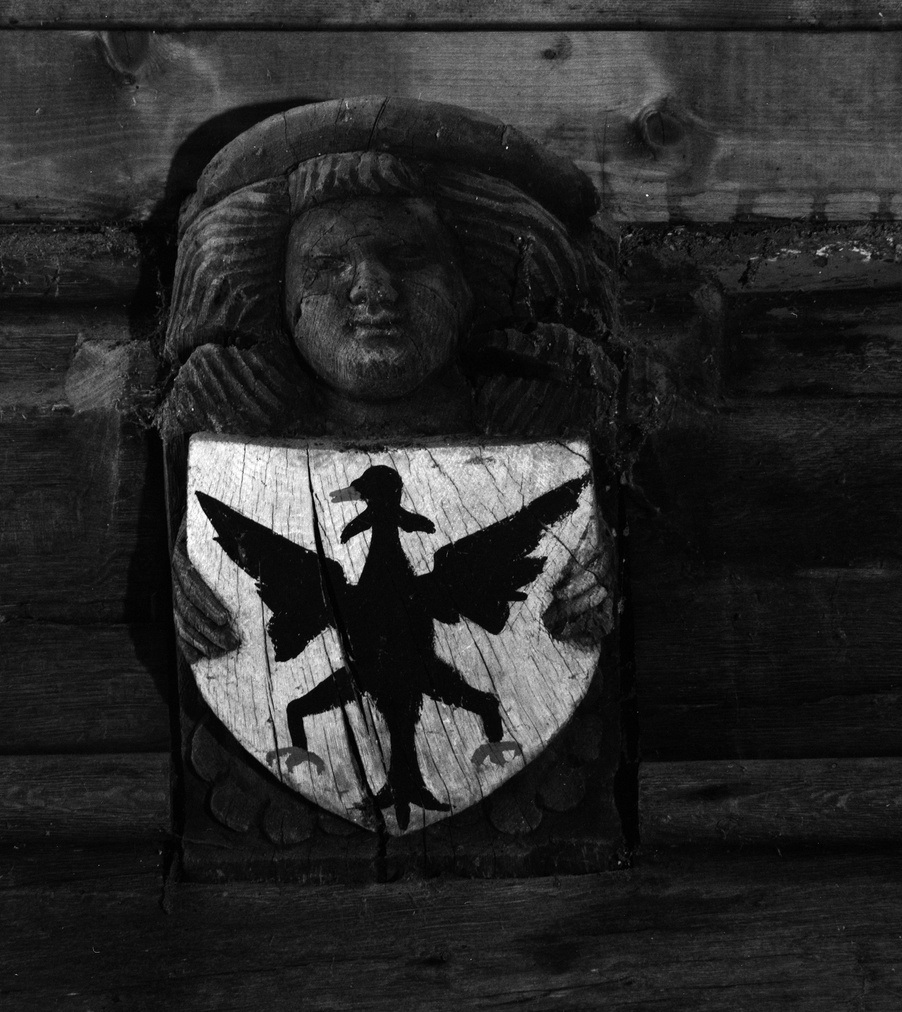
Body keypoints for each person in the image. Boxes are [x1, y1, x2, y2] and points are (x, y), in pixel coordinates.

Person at [159, 97, 619, 665]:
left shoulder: (542, 425)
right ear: (275, 298)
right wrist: (199, 572)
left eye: (406, 254)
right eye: (327, 265)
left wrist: (591, 563)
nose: (371, 287)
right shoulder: (236, 445)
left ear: (469, 282)